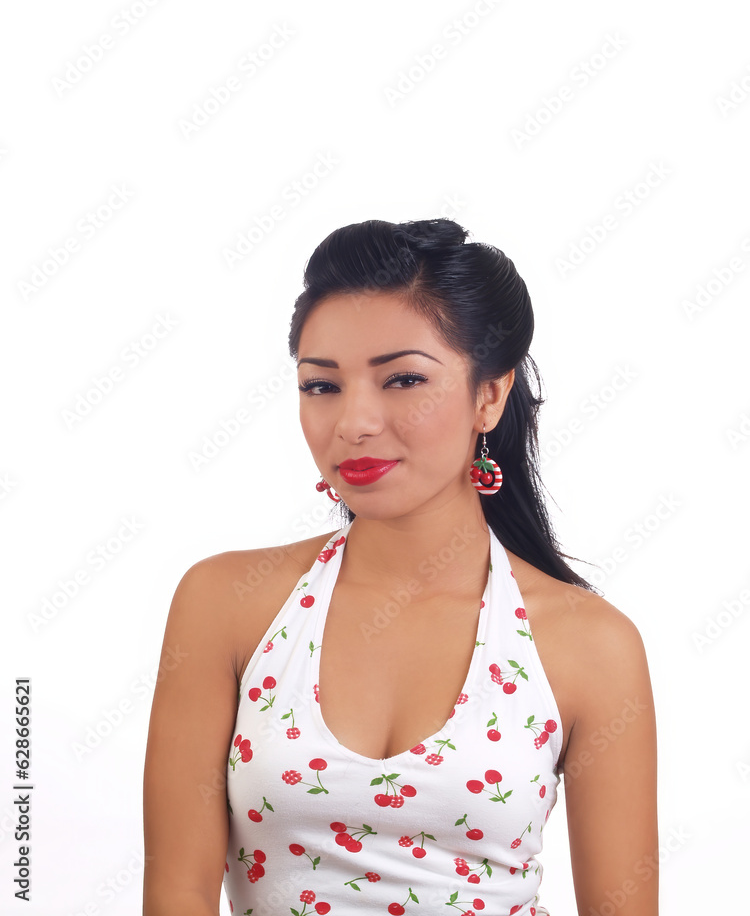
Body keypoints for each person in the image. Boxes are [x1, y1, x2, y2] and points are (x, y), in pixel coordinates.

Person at [142, 218, 658, 916]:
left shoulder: (589, 644)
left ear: (489, 396)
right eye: (321, 385)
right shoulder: (226, 603)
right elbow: (177, 893)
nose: (353, 422)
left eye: (404, 379)